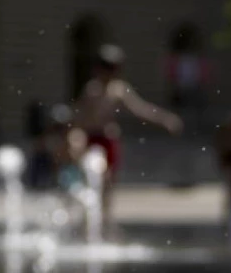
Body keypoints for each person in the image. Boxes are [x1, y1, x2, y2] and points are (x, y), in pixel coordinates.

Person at [71, 44, 183, 231]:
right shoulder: (91, 90)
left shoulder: (118, 90)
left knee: (108, 183)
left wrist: (164, 119)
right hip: (92, 140)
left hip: (108, 140)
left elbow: (140, 110)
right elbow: (79, 118)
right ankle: (86, 222)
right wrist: (75, 139)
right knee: (90, 180)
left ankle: (105, 221)